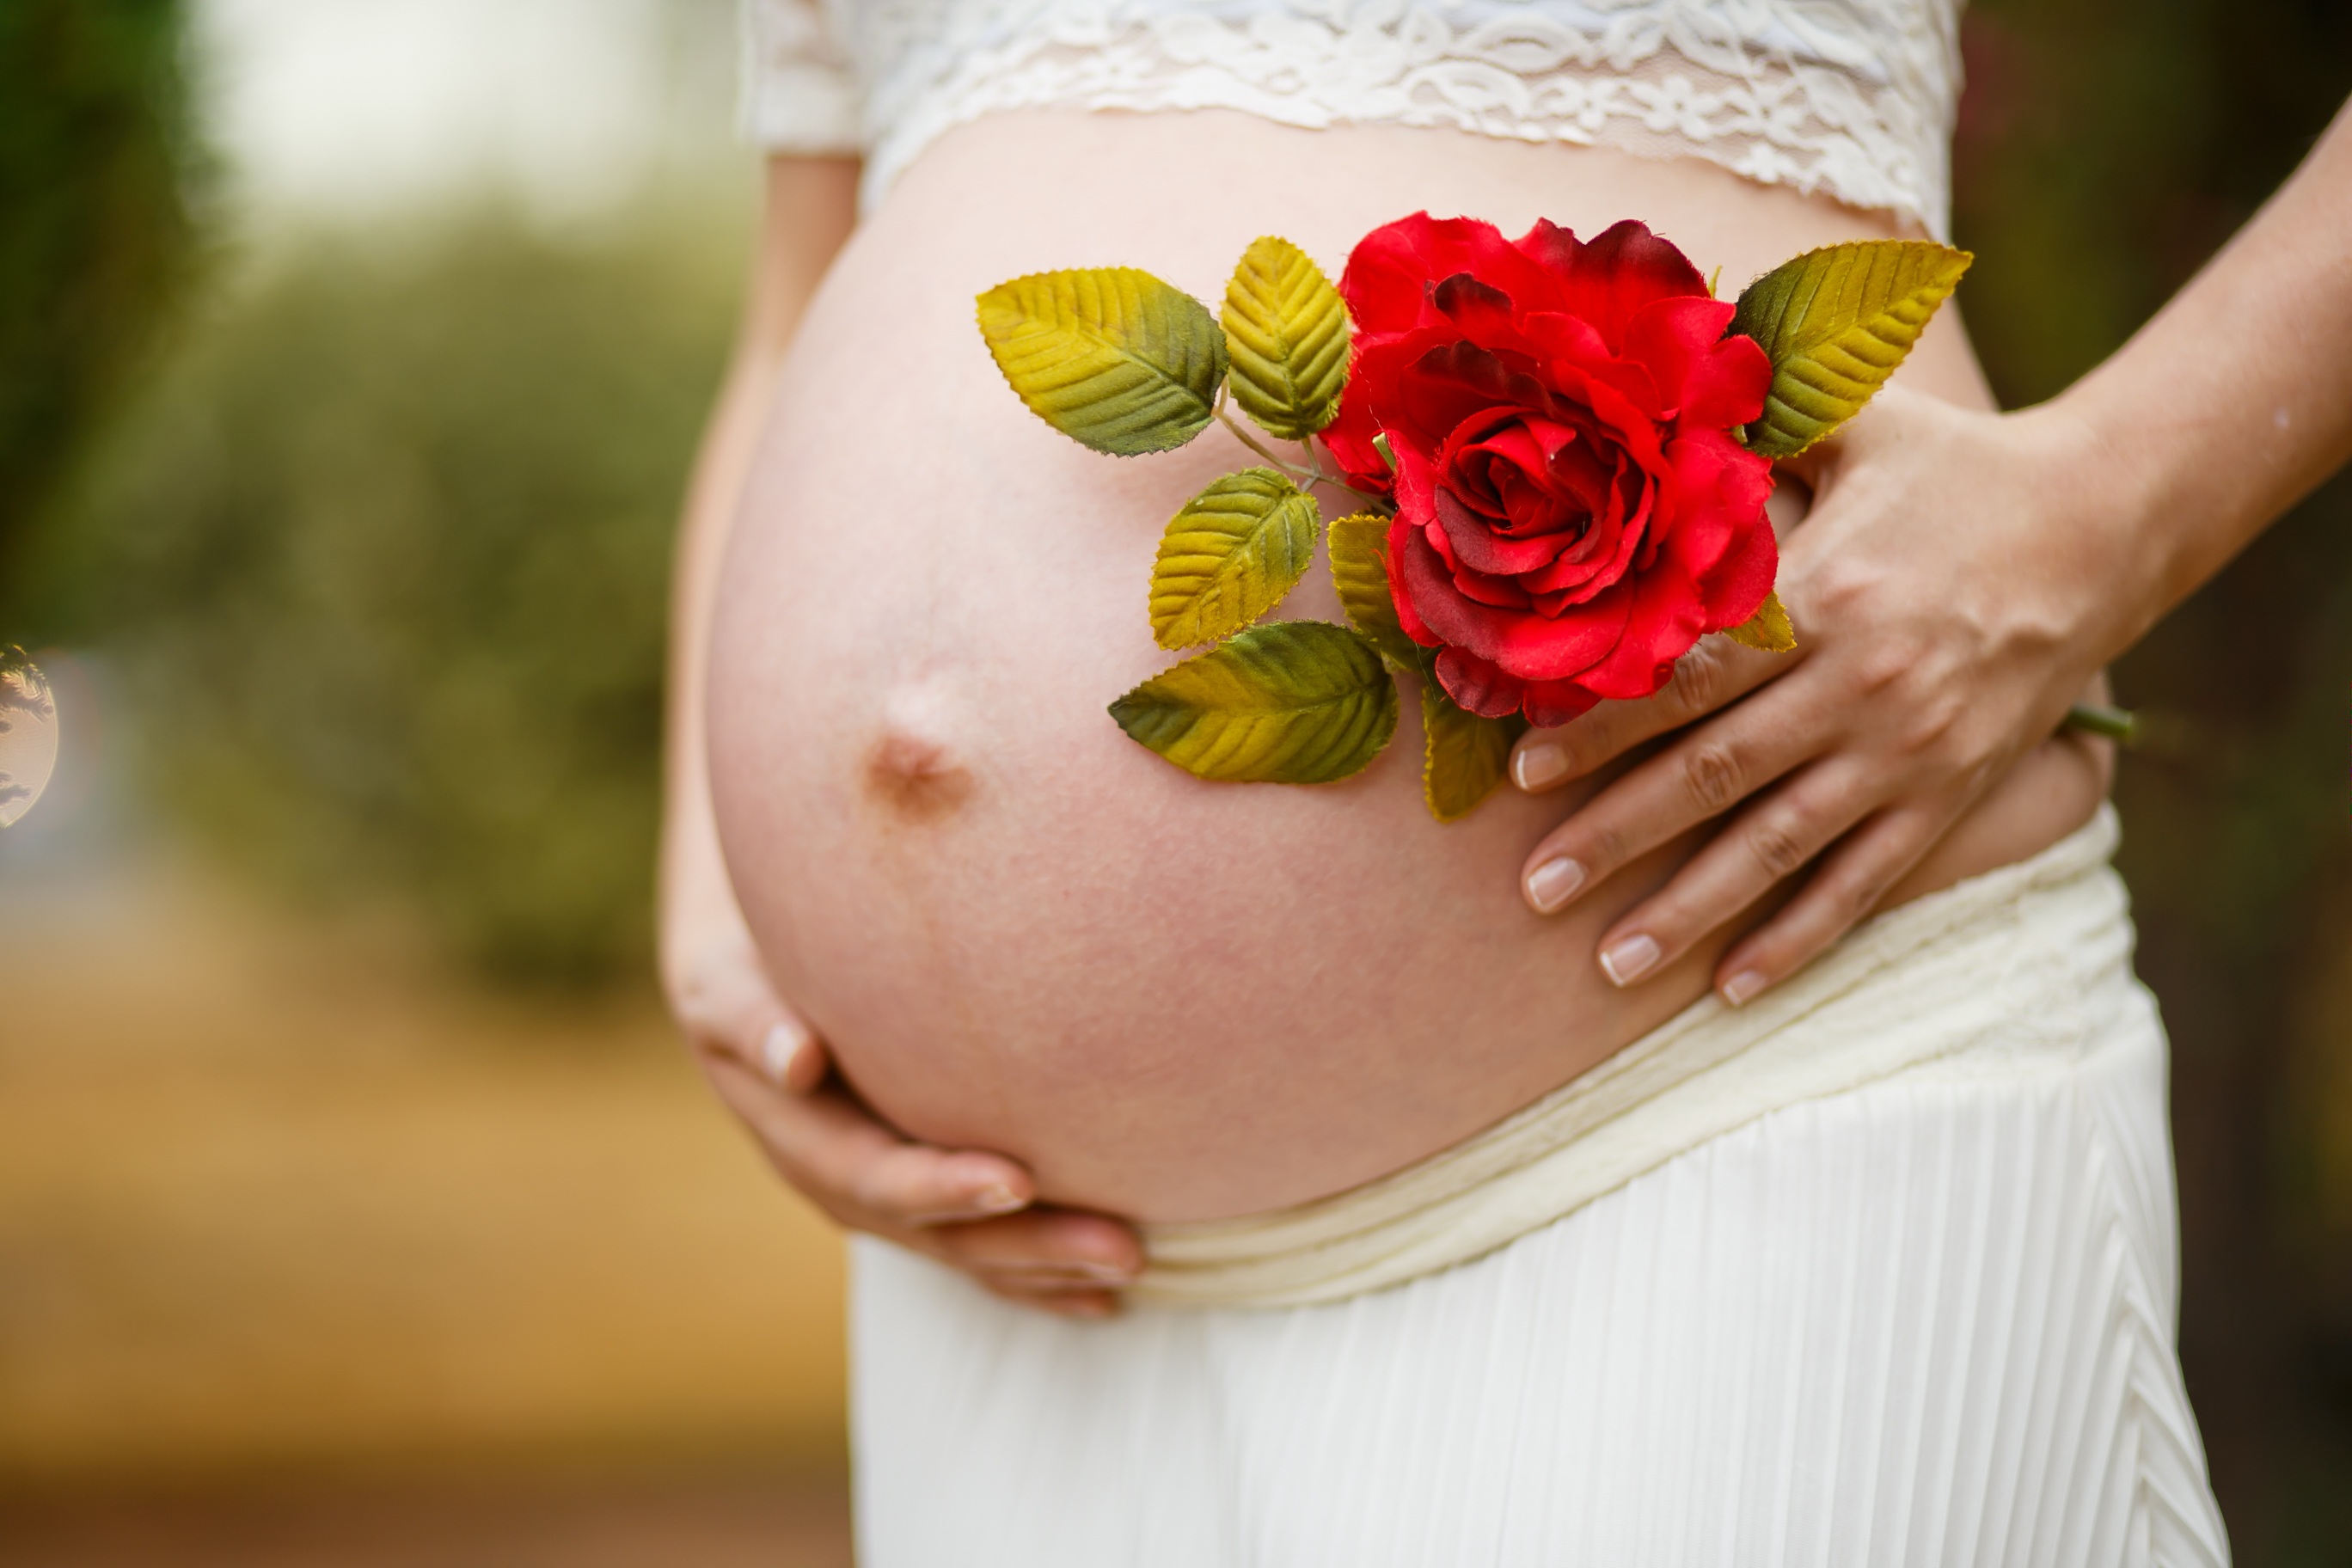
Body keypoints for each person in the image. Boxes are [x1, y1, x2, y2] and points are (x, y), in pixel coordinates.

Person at [660, 0, 2350, 1558]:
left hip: (1715, 1112)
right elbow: (795, 293)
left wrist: (2108, 508)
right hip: (1007, 1279)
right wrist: (715, 892)